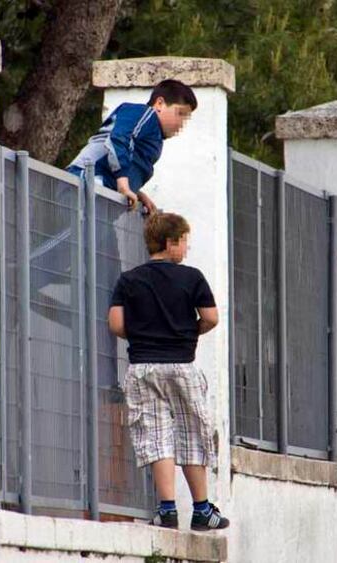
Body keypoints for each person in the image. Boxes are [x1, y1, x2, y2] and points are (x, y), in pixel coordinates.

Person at [108, 212, 230, 531]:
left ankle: (167, 510)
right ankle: (202, 510)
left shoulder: (129, 280)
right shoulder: (192, 278)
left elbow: (117, 324)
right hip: (181, 365)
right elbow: (212, 317)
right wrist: (188, 333)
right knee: (192, 432)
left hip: (143, 367)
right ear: (170, 242)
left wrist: (144, 337)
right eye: (184, 242)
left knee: (156, 434)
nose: (186, 249)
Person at [66, 80, 197, 214]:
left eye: (186, 118)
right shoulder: (145, 114)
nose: (182, 123)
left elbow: (124, 164)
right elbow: (119, 139)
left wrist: (136, 192)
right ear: (159, 104)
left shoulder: (154, 137)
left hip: (99, 193)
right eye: (180, 113)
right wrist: (124, 186)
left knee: (100, 235)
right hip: (86, 182)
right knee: (79, 233)